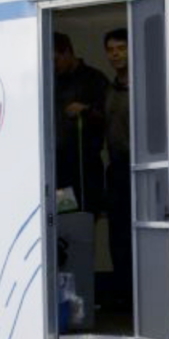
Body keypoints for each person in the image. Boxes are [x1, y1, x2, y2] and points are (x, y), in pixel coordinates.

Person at [54, 32, 108, 212]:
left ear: (68, 52)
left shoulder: (94, 79)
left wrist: (86, 110)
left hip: (87, 166)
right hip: (60, 167)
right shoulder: (51, 82)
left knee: (87, 216)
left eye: (55, 61)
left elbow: (109, 117)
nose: (53, 67)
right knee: (65, 217)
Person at [102, 27, 132, 307]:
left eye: (121, 48)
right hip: (116, 170)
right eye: (111, 50)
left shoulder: (144, 85)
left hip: (140, 169)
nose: (116, 54)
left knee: (137, 236)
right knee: (117, 237)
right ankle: (123, 297)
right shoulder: (110, 88)